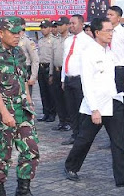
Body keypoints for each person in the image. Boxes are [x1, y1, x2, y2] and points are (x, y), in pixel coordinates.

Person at [63, 18, 124, 187]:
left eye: (112, 31)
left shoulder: (110, 52)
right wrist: (94, 109)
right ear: (97, 33)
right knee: (84, 139)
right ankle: (71, 166)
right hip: (95, 105)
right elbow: (87, 83)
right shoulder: (89, 52)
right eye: (108, 31)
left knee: (119, 141)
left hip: (113, 101)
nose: (111, 34)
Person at [0, 16, 43, 196]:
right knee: (2, 154)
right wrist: (4, 113)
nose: (18, 36)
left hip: (22, 109)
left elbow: (22, 77)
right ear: (0, 32)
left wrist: (29, 99)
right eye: (14, 32)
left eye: (20, 32)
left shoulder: (18, 52)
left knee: (31, 150)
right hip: (3, 112)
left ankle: (23, 191)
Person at [61, 15, 93, 144]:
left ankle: (83, 135)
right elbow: (65, 59)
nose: (71, 26)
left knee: (82, 109)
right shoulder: (68, 41)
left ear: (81, 24)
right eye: (70, 23)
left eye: (74, 23)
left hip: (81, 79)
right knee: (71, 108)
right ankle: (75, 133)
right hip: (69, 78)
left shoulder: (88, 41)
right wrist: (63, 79)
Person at [50, 17, 71, 131]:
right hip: (56, 70)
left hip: (66, 71)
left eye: (61, 25)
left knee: (66, 98)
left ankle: (69, 121)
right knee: (57, 98)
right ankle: (61, 121)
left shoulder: (70, 39)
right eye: (57, 25)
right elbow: (53, 58)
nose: (58, 27)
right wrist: (51, 73)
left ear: (67, 25)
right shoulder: (55, 40)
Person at [37, 20, 56, 122]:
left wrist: (51, 72)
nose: (43, 30)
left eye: (45, 27)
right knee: (43, 92)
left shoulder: (54, 40)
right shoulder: (40, 40)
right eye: (42, 27)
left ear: (50, 28)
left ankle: (52, 113)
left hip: (49, 67)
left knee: (51, 92)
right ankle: (46, 112)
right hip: (41, 67)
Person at [18, 28, 38, 95]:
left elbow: (35, 59)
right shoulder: (12, 39)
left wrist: (33, 76)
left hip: (25, 70)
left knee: (27, 96)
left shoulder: (28, 41)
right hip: (15, 70)